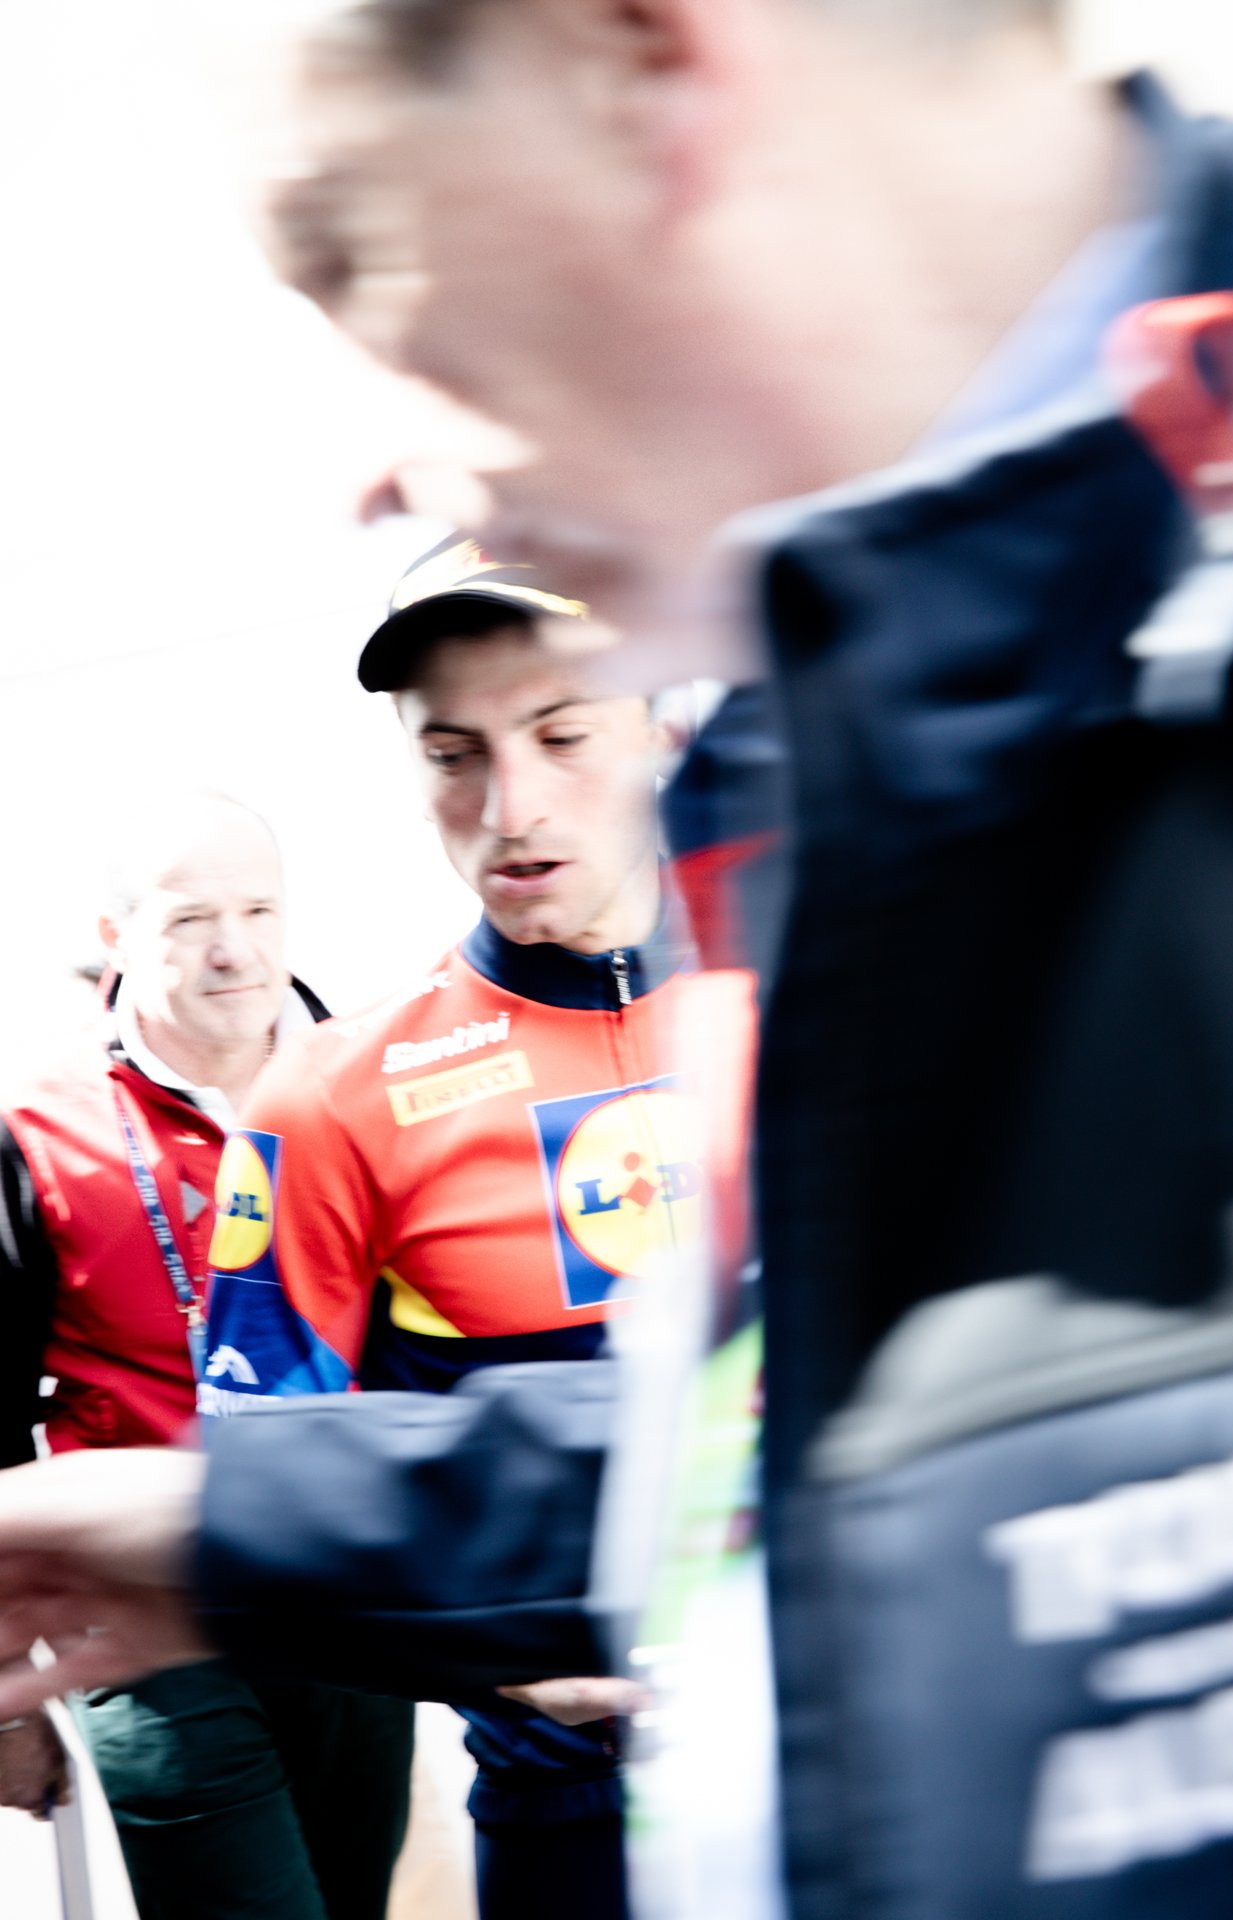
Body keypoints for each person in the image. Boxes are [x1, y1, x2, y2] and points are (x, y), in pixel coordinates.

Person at [4, 3, 1233, 1915]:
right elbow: (895, 1443)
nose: (371, 472)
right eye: (450, 751)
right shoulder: (881, 757)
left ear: (642, 63)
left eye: (361, 255)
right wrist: (231, 1521)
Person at [197, 540, 754, 1920]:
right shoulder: (329, 1098)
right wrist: (502, 1664)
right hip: (572, 1813)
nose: (511, 805)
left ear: (662, 724)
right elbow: (265, 1461)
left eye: (563, 733)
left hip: (862, 1754)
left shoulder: (821, 998)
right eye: (453, 755)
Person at [0, 791, 415, 1920]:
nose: (233, 949)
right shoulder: (33, 1125)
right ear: (116, 940)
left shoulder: (378, 1085)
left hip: (349, 1601)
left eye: (258, 910)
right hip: (142, 1613)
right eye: (189, 919)